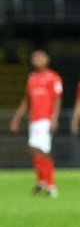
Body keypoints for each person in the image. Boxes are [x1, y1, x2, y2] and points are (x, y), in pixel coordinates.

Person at [10, 48, 64, 197]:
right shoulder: (31, 78)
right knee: (42, 152)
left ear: (47, 59)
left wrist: (54, 119)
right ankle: (42, 183)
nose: (36, 60)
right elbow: (26, 101)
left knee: (34, 148)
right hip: (33, 120)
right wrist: (17, 118)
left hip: (45, 119)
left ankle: (51, 186)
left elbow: (57, 99)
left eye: (40, 57)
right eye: (34, 58)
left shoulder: (53, 77)